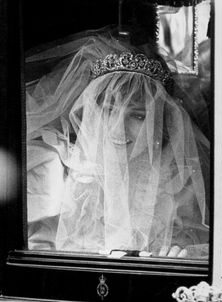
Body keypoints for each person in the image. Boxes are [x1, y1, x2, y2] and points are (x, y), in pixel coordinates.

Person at [26, 26, 209, 258]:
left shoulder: (176, 182)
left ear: (159, 123)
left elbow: (194, 249)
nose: (118, 126)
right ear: (90, 113)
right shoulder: (54, 169)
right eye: (109, 111)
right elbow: (34, 255)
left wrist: (175, 256)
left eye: (139, 115)